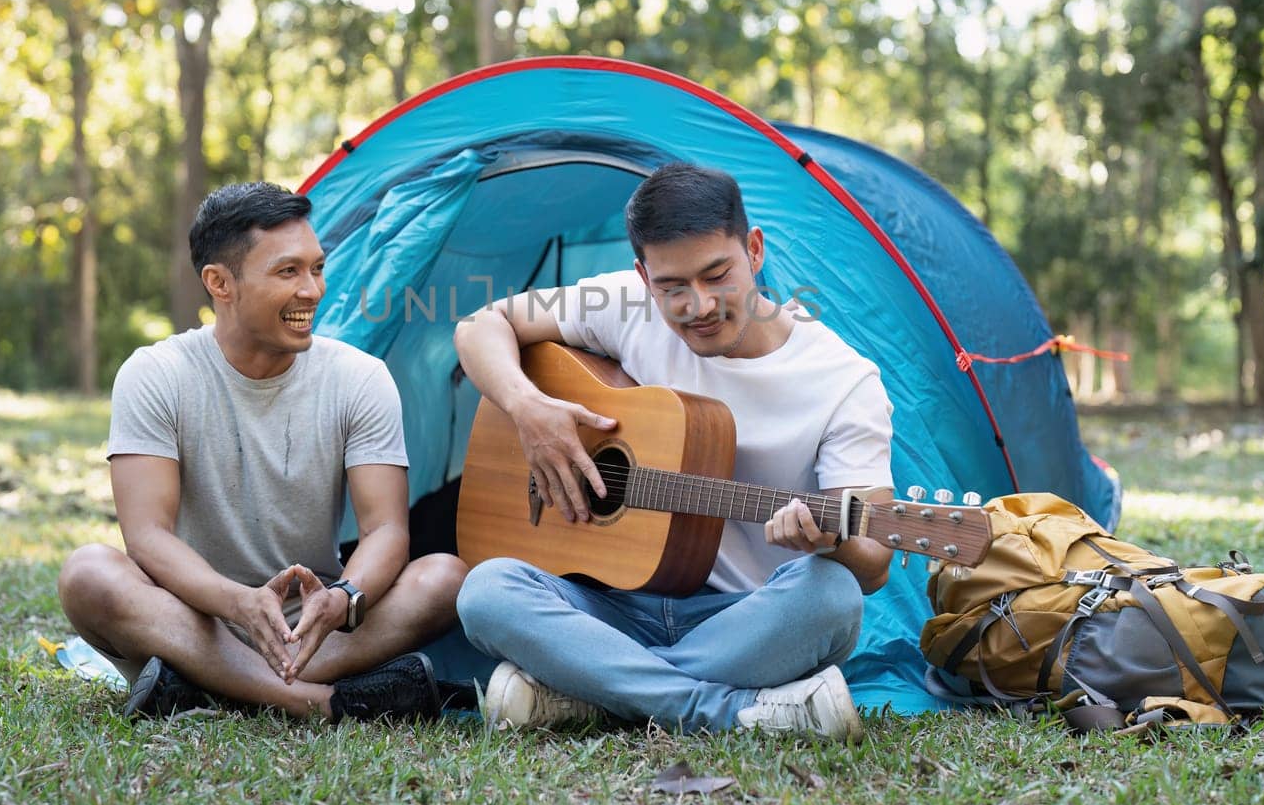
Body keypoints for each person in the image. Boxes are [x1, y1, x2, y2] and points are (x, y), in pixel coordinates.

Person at [453, 162, 894, 740]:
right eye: (672, 288)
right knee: (486, 590)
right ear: (643, 276)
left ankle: (589, 692)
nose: (700, 305)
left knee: (832, 596)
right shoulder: (624, 304)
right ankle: (726, 712)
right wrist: (527, 409)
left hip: (743, 619)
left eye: (717, 275)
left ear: (754, 250)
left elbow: (874, 560)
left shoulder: (842, 381)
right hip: (608, 610)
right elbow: (480, 325)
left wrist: (832, 541)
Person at [58, 181, 467, 720]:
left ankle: (199, 685)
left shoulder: (360, 378)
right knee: (87, 573)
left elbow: (386, 531)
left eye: (317, 268)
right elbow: (147, 537)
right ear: (219, 283)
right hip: (190, 614)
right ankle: (319, 703)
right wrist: (238, 603)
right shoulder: (155, 374)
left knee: (445, 578)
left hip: (312, 625)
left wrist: (343, 599)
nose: (313, 291)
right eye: (287, 272)